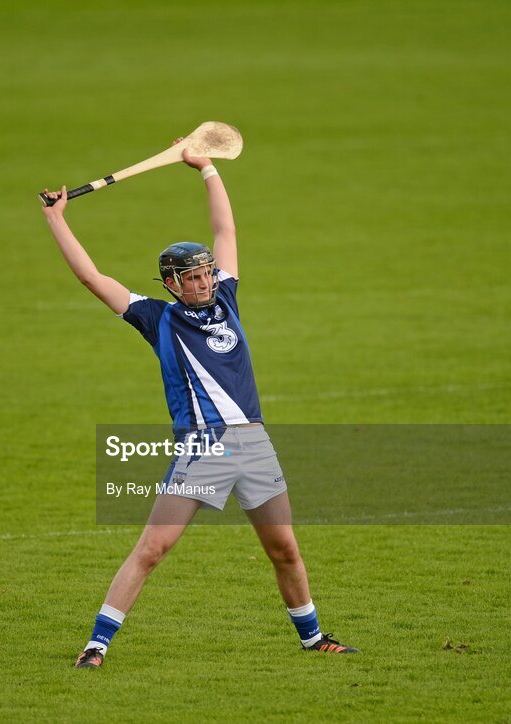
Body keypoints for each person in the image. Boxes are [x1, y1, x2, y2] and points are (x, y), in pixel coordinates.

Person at [41, 139, 359, 669]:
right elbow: (91, 277)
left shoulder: (227, 298)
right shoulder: (156, 317)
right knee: (151, 550)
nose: (205, 280)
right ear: (172, 283)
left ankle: (313, 638)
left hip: (254, 443)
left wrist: (206, 167)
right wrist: (57, 219)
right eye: (193, 276)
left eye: (207, 272)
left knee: (285, 550)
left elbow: (225, 232)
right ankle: (96, 645)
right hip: (204, 448)